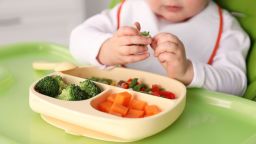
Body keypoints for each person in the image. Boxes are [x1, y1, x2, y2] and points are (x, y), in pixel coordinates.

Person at [69, 0, 250, 96]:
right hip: (117, 106)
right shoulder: (130, 8)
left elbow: (237, 84)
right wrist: (107, 49)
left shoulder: (225, 27)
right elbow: (77, 37)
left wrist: (188, 71)